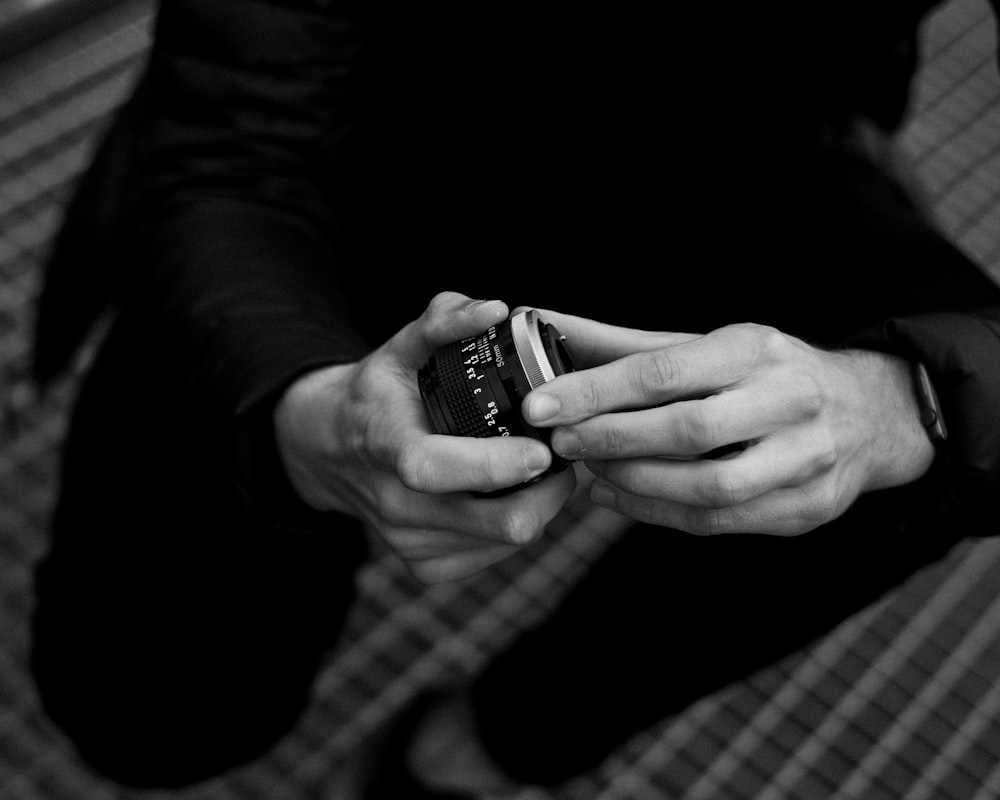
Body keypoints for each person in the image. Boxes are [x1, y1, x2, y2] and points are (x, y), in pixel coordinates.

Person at [27, 0, 1000, 795]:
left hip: (750, 146)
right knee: (148, 719)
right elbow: (231, 143)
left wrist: (897, 402)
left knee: (948, 411)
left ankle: (493, 742)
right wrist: (298, 413)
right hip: (340, 151)